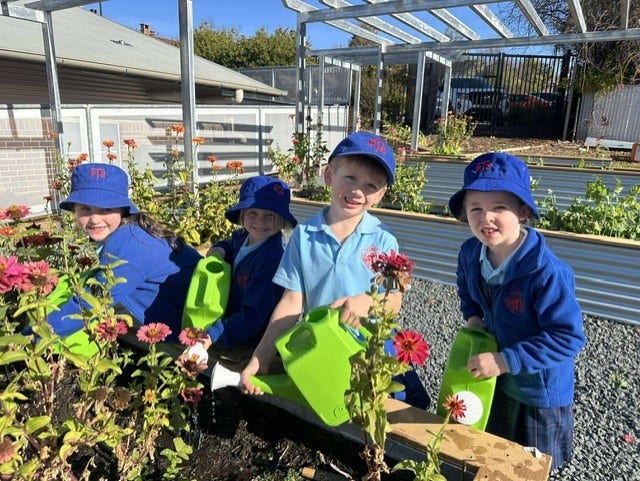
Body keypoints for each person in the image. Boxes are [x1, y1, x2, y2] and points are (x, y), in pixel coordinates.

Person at [240, 132, 430, 409]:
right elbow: (292, 302)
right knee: (333, 406)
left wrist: (364, 303)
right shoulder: (304, 236)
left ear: (380, 195)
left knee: (406, 407)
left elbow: (394, 298)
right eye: (350, 178)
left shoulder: (383, 239)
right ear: (329, 175)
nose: (357, 191)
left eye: (370, 185)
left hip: (372, 347)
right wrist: (261, 357)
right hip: (326, 347)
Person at [447, 152, 586, 471]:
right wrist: (472, 316)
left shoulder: (546, 272)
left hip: (537, 389)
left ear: (523, 211)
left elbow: (568, 338)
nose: (486, 218)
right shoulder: (471, 253)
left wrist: (504, 360)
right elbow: (465, 286)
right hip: (498, 377)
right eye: (476, 208)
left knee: (531, 463)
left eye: (499, 207)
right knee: (496, 451)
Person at [48, 162, 201, 342]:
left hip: (189, 328)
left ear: (123, 209)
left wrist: (32, 336)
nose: (95, 218)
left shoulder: (129, 245)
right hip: (177, 309)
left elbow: (90, 302)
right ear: (74, 210)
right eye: (85, 209)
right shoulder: (130, 230)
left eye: (106, 209)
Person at [204, 175, 297, 348]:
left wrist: (213, 335)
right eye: (253, 212)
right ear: (242, 215)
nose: (260, 221)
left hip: (250, 339)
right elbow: (231, 243)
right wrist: (220, 248)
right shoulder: (243, 237)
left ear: (281, 220)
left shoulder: (270, 258)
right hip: (231, 321)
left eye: (270, 215)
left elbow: (253, 317)